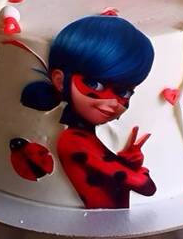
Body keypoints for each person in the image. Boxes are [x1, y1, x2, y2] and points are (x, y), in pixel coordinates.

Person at [18, 15, 156, 209]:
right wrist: (142, 173)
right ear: (60, 81)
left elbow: (105, 171)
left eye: (123, 92)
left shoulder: (83, 137)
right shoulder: (73, 141)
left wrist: (128, 161)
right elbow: (145, 186)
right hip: (103, 223)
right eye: (94, 84)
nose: (111, 102)